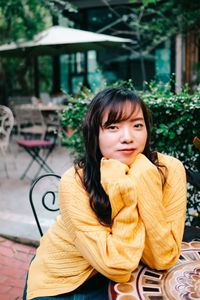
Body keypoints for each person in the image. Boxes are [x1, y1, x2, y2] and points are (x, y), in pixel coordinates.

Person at [23, 87, 187, 300]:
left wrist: (144, 180)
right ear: (95, 134)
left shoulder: (169, 170)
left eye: (137, 125)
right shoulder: (74, 181)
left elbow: (162, 259)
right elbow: (116, 266)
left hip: (123, 277)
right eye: (112, 127)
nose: (127, 137)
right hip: (61, 281)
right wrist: (125, 192)